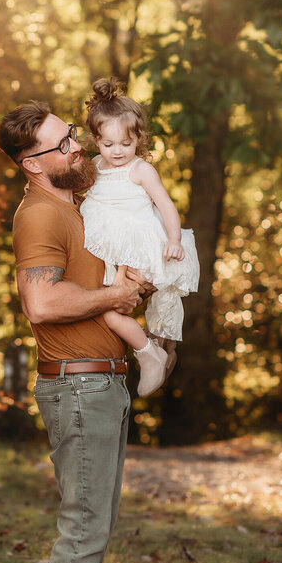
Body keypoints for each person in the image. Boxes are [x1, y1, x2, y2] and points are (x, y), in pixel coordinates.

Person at [0, 100, 148, 563]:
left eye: (73, 137)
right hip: (78, 385)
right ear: (32, 164)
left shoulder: (76, 206)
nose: (77, 148)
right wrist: (113, 293)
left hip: (103, 380)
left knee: (98, 521)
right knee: (83, 524)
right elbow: (41, 305)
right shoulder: (38, 215)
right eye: (63, 145)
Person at [80, 79, 200, 395]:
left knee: (135, 307)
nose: (117, 151)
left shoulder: (140, 170)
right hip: (113, 254)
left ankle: (154, 352)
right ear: (96, 140)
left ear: (139, 139)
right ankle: (155, 353)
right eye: (109, 144)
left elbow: (166, 205)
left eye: (126, 143)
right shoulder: (94, 166)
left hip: (142, 250)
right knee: (111, 310)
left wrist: (174, 239)